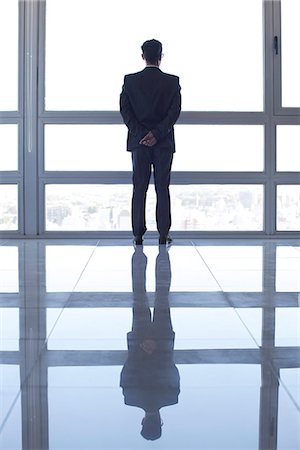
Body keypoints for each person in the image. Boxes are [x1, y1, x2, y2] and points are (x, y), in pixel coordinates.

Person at [120, 39, 181, 245]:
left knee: (139, 188)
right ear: (161, 56)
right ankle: (163, 234)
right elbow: (174, 113)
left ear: (143, 56)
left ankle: (138, 234)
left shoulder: (130, 81)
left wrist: (141, 135)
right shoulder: (172, 82)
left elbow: (125, 111)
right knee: (162, 188)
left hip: (139, 144)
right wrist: (156, 134)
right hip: (163, 143)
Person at [120, 246, 180, 441]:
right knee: (139, 295)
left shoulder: (172, 397)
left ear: (161, 422)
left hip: (163, 340)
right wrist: (142, 347)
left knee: (163, 295)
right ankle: (139, 255)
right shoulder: (130, 398)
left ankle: (163, 257)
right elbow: (127, 370)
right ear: (143, 422)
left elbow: (171, 369)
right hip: (140, 340)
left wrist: (157, 348)